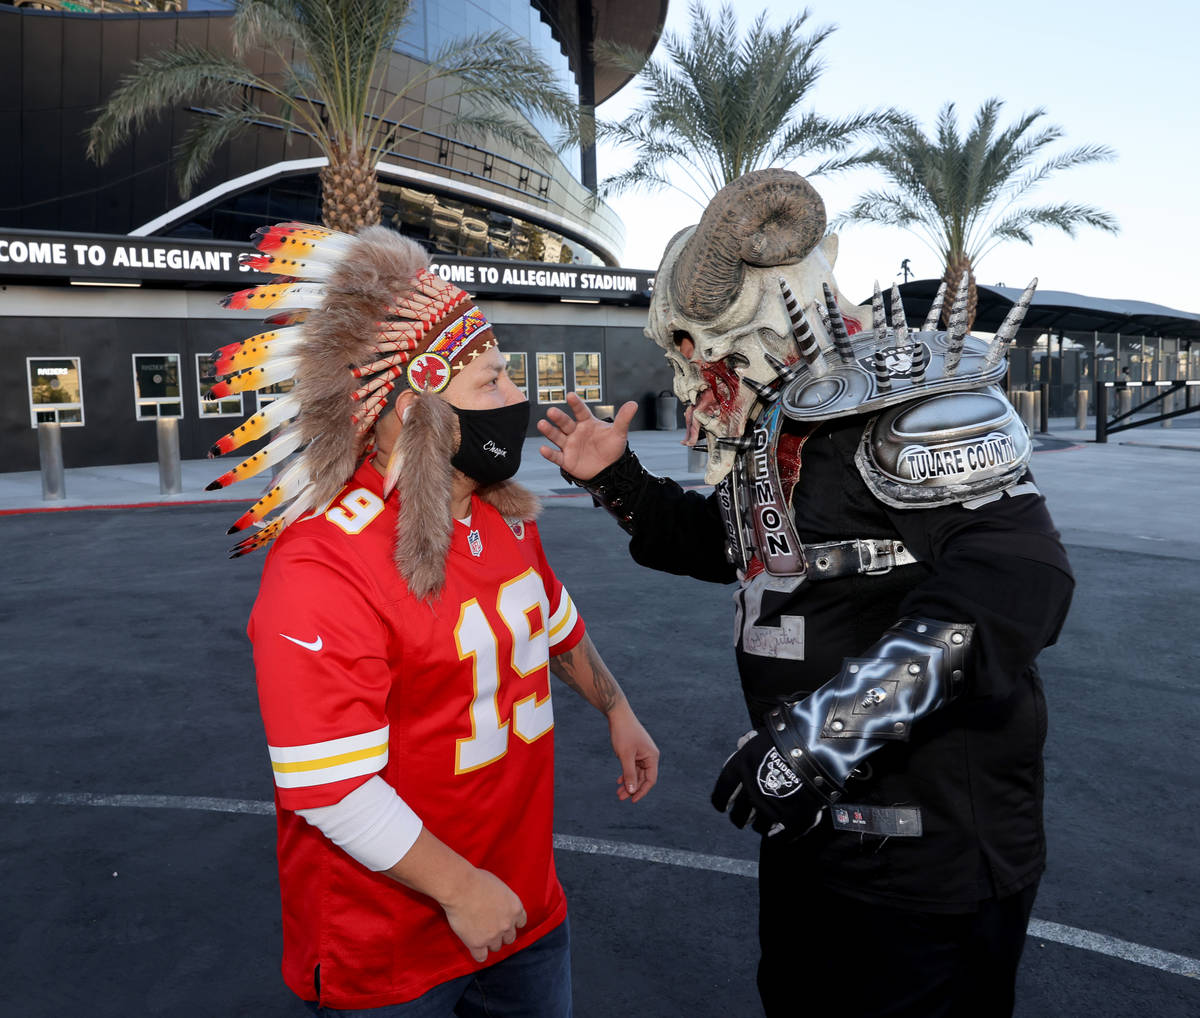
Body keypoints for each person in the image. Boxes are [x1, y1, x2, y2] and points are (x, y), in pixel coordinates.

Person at [538, 170, 1074, 1018]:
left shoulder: (917, 404)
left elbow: (1015, 584)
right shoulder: (781, 437)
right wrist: (623, 483)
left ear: (755, 326)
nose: (688, 378)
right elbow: (739, 548)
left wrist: (825, 736)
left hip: (931, 855)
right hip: (811, 835)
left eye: (697, 347)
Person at [206, 223, 659, 1015]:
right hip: (388, 946)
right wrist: (461, 889)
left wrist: (618, 711)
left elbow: (552, 623)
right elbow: (330, 787)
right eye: (489, 385)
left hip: (523, 905)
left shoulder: (505, 519)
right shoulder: (322, 565)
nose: (516, 402)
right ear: (416, 409)